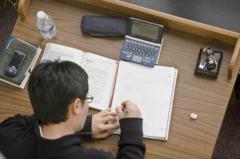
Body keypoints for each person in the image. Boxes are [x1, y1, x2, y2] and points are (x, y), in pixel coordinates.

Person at [0, 61, 145, 159]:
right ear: (76, 106)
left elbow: (31, 121)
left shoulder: (10, 131)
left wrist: (82, 125)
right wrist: (133, 128)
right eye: (86, 99)